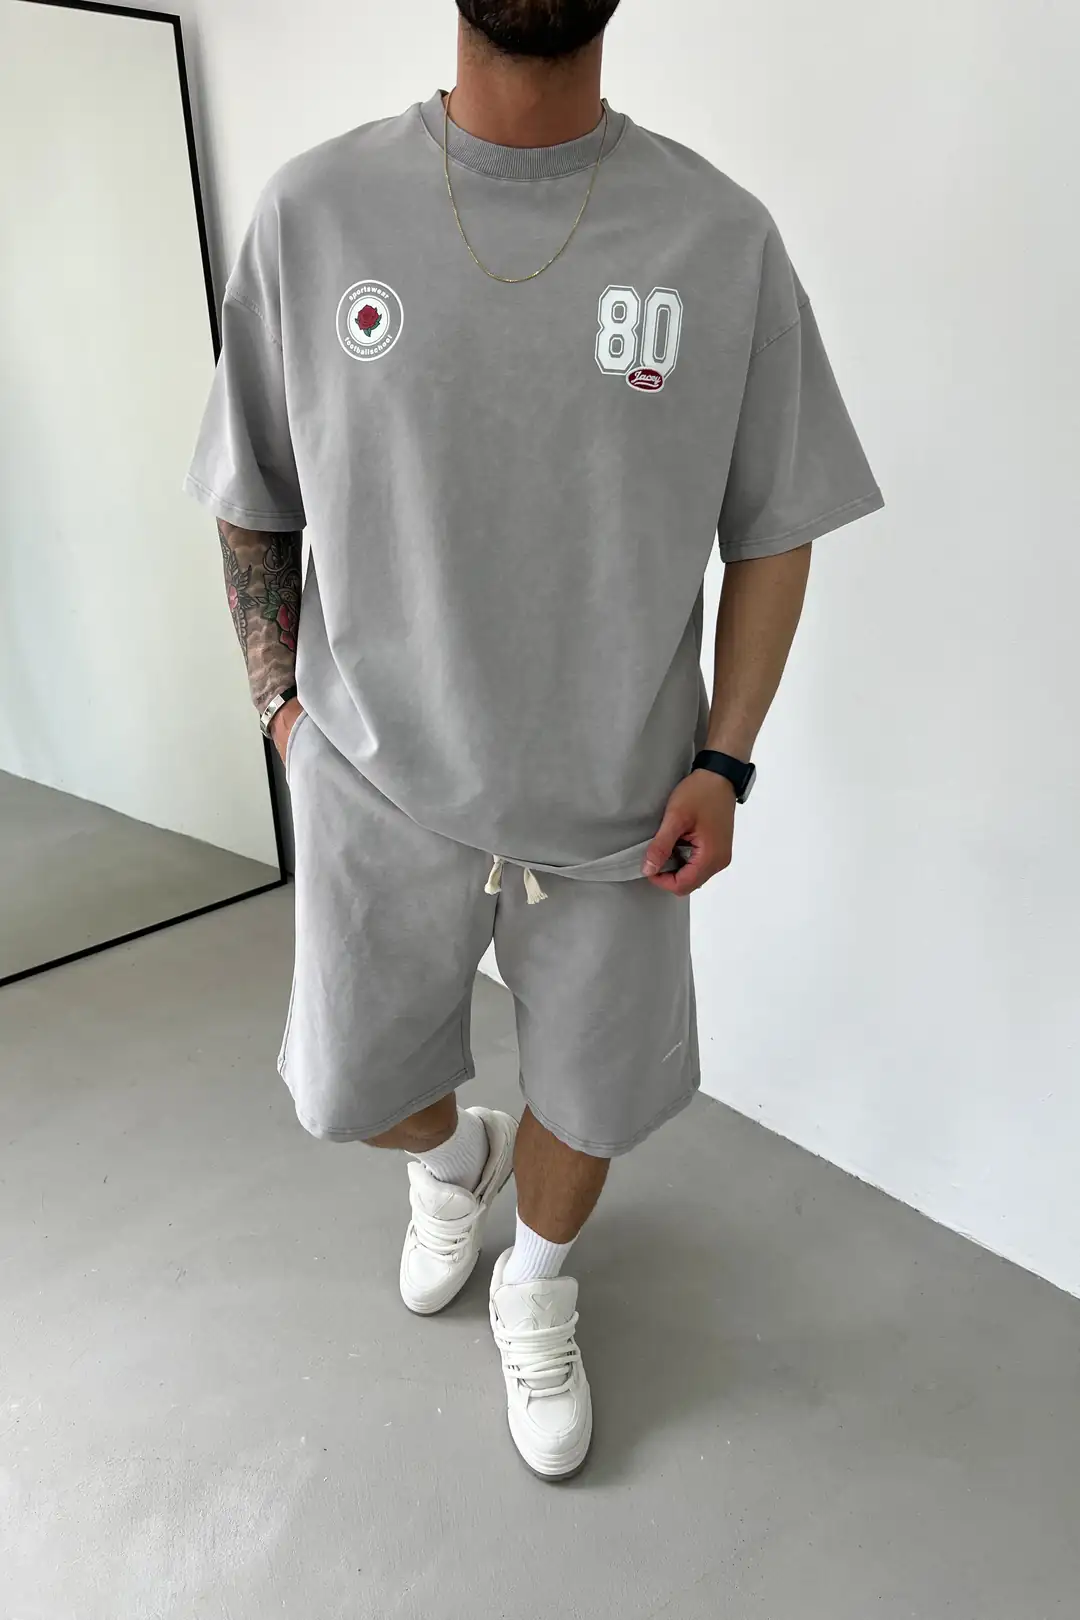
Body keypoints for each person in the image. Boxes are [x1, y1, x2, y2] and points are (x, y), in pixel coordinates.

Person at [184, 0, 883, 1481]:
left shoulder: (719, 239)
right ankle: (455, 1161)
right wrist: (280, 713)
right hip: (376, 777)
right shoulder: (317, 212)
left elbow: (777, 524)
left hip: (621, 802)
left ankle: (538, 1280)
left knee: (596, 1090)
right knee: (353, 1088)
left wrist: (727, 758)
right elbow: (253, 490)